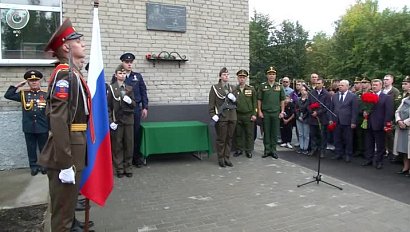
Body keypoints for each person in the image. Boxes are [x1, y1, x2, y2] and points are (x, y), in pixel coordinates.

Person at [38, 18, 89, 232]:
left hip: (75, 143)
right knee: (62, 216)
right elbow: (58, 120)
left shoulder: (73, 72)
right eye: (78, 41)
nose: (83, 43)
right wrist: (66, 162)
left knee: (68, 205)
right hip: (66, 149)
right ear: (66, 46)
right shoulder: (64, 74)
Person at [4, 70, 48, 176]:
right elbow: (8, 95)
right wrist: (18, 85)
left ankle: (44, 166)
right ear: (28, 82)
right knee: (31, 148)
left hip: (43, 126)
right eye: (31, 81)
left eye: (36, 80)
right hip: (29, 126)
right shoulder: (23, 94)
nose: (34, 82)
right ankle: (33, 166)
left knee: (44, 148)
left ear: (40, 81)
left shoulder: (45, 94)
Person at [117, 53, 148, 168]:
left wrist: (145, 107)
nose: (129, 64)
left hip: (135, 109)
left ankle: (136, 157)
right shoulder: (118, 76)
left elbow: (143, 91)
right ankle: (124, 159)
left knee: (135, 134)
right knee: (122, 135)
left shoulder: (137, 76)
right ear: (122, 63)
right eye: (126, 62)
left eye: (131, 62)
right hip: (122, 110)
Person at [108, 65, 136, 178]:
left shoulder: (129, 88)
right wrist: (110, 121)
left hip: (128, 120)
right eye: (120, 73)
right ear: (116, 75)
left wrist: (130, 101)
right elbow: (108, 106)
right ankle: (119, 168)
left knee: (129, 145)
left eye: (124, 73)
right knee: (117, 145)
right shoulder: (111, 88)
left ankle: (128, 167)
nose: (122, 75)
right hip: (117, 121)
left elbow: (134, 105)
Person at [361, 79, 393, 169]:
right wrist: (364, 111)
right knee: (369, 143)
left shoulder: (386, 97)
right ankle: (369, 159)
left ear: (381, 86)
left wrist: (386, 124)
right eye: (373, 85)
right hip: (369, 123)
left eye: (376, 85)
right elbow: (363, 107)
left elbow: (389, 112)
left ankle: (379, 161)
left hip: (379, 124)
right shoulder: (368, 96)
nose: (374, 86)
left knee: (380, 145)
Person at [209, 67, 237, 167]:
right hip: (221, 117)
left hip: (232, 116)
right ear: (220, 76)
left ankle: (227, 158)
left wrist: (234, 98)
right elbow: (211, 104)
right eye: (224, 74)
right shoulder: (215, 88)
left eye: (227, 74)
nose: (226, 76)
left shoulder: (233, 88)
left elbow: (238, 102)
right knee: (221, 139)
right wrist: (213, 115)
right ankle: (221, 158)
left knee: (229, 138)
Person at [257, 66, 285, 159]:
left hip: (276, 112)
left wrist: (282, 111)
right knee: (266, 132)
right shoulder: (262, 86)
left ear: (275, 76)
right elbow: (259, 99)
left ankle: (273, 150)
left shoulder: (279, 86)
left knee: (274, 132)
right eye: (270, 74)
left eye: (273, 74)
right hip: (266, 113)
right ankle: (267, 150)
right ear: (267, 75)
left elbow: (282, 100)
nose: (271, 76)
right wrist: (260, 111)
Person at [329, 80, 358, 162]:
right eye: (339, 85)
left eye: (342, 85)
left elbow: (354, 110)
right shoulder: (335, 96)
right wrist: (331, 119)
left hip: (347, 121)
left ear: (347, 86)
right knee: (337, 138)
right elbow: (331, 108)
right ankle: (338, 153)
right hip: (336, 121)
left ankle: (348, 154)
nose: (340, 86)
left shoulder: (352, 96)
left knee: (348, 139)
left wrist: (353, 122)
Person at [233, 69, 257, 158]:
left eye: (243, 77)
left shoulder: (251, 89)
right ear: (238, 78)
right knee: (238, 133)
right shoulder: (234, 89)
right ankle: (239, 149)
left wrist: (254, 114)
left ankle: (248, 150)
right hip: (238, 114)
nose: (242, 79)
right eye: (240, 77)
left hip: (248, 114)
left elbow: (255, 102)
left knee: (249, 133)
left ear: (246, 78)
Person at [307, 77, 331, 158]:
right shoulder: (312, 93)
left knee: (322, 135)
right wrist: (311, 112)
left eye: (319, 83)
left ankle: (322, 151)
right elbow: (308, 104)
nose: (317, 85)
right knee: (313, 134)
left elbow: (326, 106)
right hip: (312, 118)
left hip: (322, 118)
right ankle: (314, 149)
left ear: (323, 84)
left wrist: (317, 112)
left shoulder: (327, 94)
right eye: (316, 83)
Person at [393, 75, 410, 176]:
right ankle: (405, 168)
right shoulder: (405, 99)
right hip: (402, 127)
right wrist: (399, 120)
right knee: (403, 149)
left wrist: (406, 122)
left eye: (406, 84)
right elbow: (397, 111)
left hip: (408, 127)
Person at [382, 74, 401, 160]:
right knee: (383, 135)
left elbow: (397, 106)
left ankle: (392, 153)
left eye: (387, 79)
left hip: (391, 117)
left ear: (392, 81)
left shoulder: (395, 91)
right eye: (384, 79)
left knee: (390, 135)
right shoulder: (382, 91)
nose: (385, 81)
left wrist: (393, 118)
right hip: (381, 116)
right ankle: (384, 151)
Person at [295, 85, 310, 155]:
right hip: (299, 117)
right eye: (302, 90)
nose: (303, 91)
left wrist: (303, 117)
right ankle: (301, 147)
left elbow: (308, 110)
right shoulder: (298, 99)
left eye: (304, 90)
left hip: (306, 118)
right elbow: (296, 109)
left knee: (306, 134)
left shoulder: (309, 100)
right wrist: (298, 116)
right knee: (300, 134)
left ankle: (305, 148)